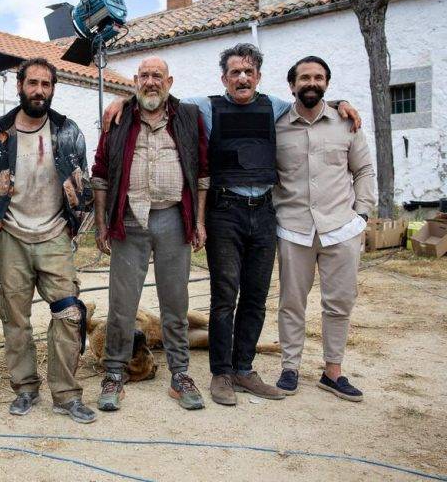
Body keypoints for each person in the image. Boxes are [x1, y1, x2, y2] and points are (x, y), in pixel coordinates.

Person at [101, 43, 360, 407]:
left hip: (265, 212)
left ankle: (244, 368)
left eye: (249, 71)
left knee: (256, 298)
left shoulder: (276, 107)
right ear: (224, 78)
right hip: (225, 210)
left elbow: (311, 102)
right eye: (235, 72)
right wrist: (124, 101)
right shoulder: (205, 106)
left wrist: (341, 102)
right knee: (224, 297)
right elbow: (159, 97)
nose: (242, 77)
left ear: (259, 77)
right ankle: (221, 372)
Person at [0, 58, 96, 424]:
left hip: (54, 236)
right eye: (33, 83)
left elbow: (84, 185)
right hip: (10, 235)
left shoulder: (67, 131)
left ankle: (65, 393)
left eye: (46, 84)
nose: (39, 91)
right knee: (15, 316)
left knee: (69, 312)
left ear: (53, 89)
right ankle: (25, 388)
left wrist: (72, 223)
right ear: (19, 86)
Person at [91, 57, 209, 412]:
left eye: (158, 76)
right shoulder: (119, 118)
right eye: (145, 76)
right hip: (129, 219)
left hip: (173, 217)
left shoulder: (188, 117)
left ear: (169, 81)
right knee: (121, 305)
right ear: (135, 80)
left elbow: (203, 174)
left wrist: (199, 222)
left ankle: (180, 374)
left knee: (176, 303)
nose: (151, 82)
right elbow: (100, 173)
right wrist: (101, 224)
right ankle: (114, 372)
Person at [273, 56, 374, 401]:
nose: (311, 83)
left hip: (341, 228)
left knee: (339, 303)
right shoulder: (278, 125)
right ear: (292, 85)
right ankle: (290, 367)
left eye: (318, 77)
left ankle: (333, 371)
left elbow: (363, 171)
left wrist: (362, 214)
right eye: (304, 78)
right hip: (293, 228)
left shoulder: (346, 123)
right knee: (291, 302)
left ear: (327, 84)